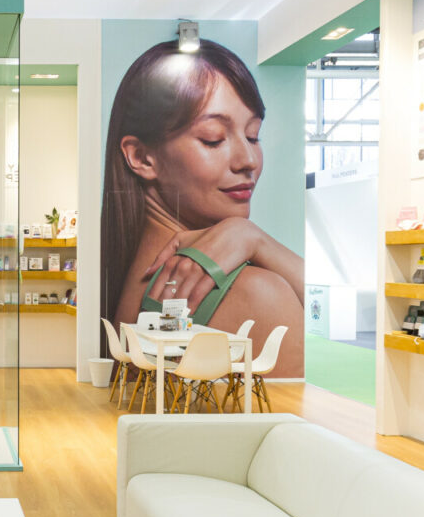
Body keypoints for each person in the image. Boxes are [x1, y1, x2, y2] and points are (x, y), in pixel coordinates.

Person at [101, 38, 304, 365]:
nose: (248, 159)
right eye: (213, 139)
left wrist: (254, 238)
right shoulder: (258, 296)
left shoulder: (121, 276)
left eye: (253, 135)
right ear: (141, 157)